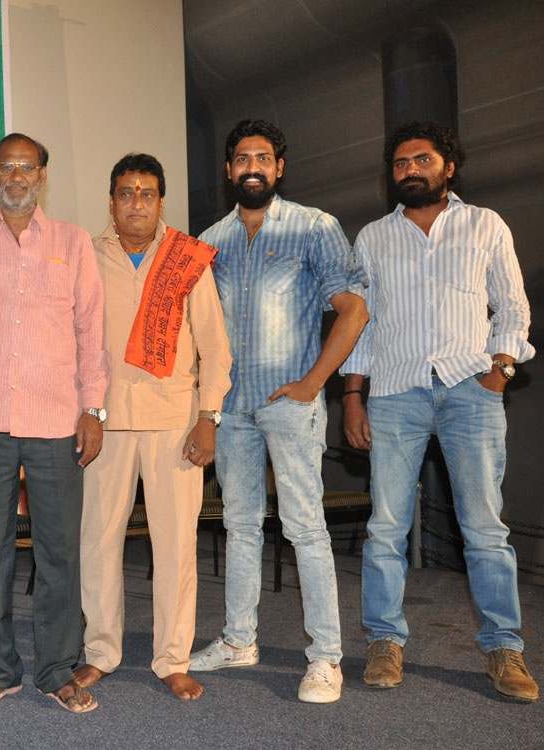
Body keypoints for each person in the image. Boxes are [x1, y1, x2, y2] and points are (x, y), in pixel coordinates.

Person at [341, 121, 538, 702]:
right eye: (400, 163)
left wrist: (500, 369)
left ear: (448, 167)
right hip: (394, 392)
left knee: (485, 529)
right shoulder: (373, 237)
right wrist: (352, 395)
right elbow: (360, 323)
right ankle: (384, 641)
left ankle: (504, 647)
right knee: (385, 528)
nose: (410, 170)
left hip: (469, 392)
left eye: (422, 160)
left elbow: (513, 306)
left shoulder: (485, 225)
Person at [188, 119, 367, 704]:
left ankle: (326, 658)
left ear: (279, 167)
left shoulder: (315, 227)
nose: (252, 167)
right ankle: (239, 640)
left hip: (289, 405)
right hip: (232, 407)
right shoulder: (210, 240)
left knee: (305, 529)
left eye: (262, 158)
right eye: (242, 158)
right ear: (228, 170)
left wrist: (314, 383)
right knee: (239, 526)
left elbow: (353, 310)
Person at [0, 133, 107, 714]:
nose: (16, 176)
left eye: (26, 167)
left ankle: (57, 669)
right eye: (6, 167)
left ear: (42, 176)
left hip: (58, 422)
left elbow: (91, 333)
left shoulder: (72, 243)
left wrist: (94, 409)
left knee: (58, 552)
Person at [74, 153, 231, 701]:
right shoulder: (87, 256)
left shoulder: (187, 259)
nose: (135, 203)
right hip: (104, 423)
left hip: (175, 425)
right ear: (111, 201)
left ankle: (172, 659)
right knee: (98, 544)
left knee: (176, 546)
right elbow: (74, 340)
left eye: (146, 193)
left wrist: (208, 417)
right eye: (126, 193)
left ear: (161, 201)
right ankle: (100, 653)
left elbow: (214, 347)